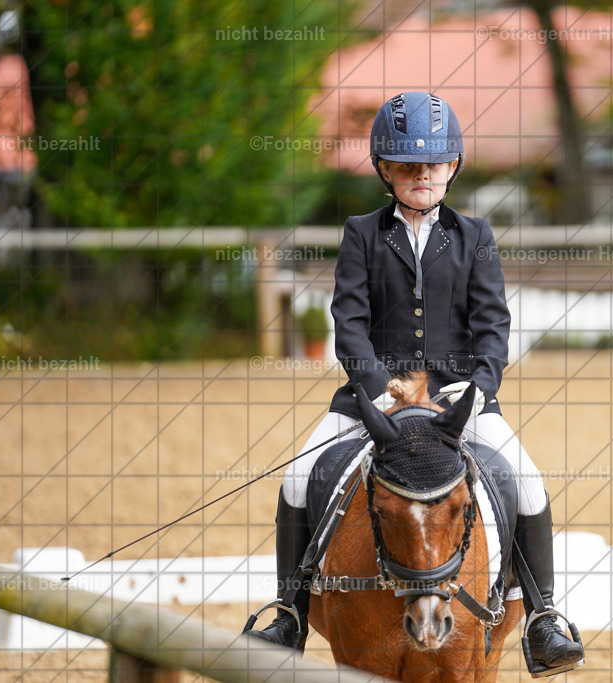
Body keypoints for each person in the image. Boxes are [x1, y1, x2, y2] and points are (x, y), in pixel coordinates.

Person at [246, 91, 584, 674]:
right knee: (300, 477)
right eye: (407, 166)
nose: (422, 175)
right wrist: (379, 388)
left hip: (457, 399)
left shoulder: (475, 235)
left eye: (434, 164)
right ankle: (290, 613)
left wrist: (476, 388)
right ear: (385, 170)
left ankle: (542, 616)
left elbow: (493, 326)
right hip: (372, 399)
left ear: (452, 166)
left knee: (528, 483)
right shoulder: (361, 233)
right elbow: (349, 324)